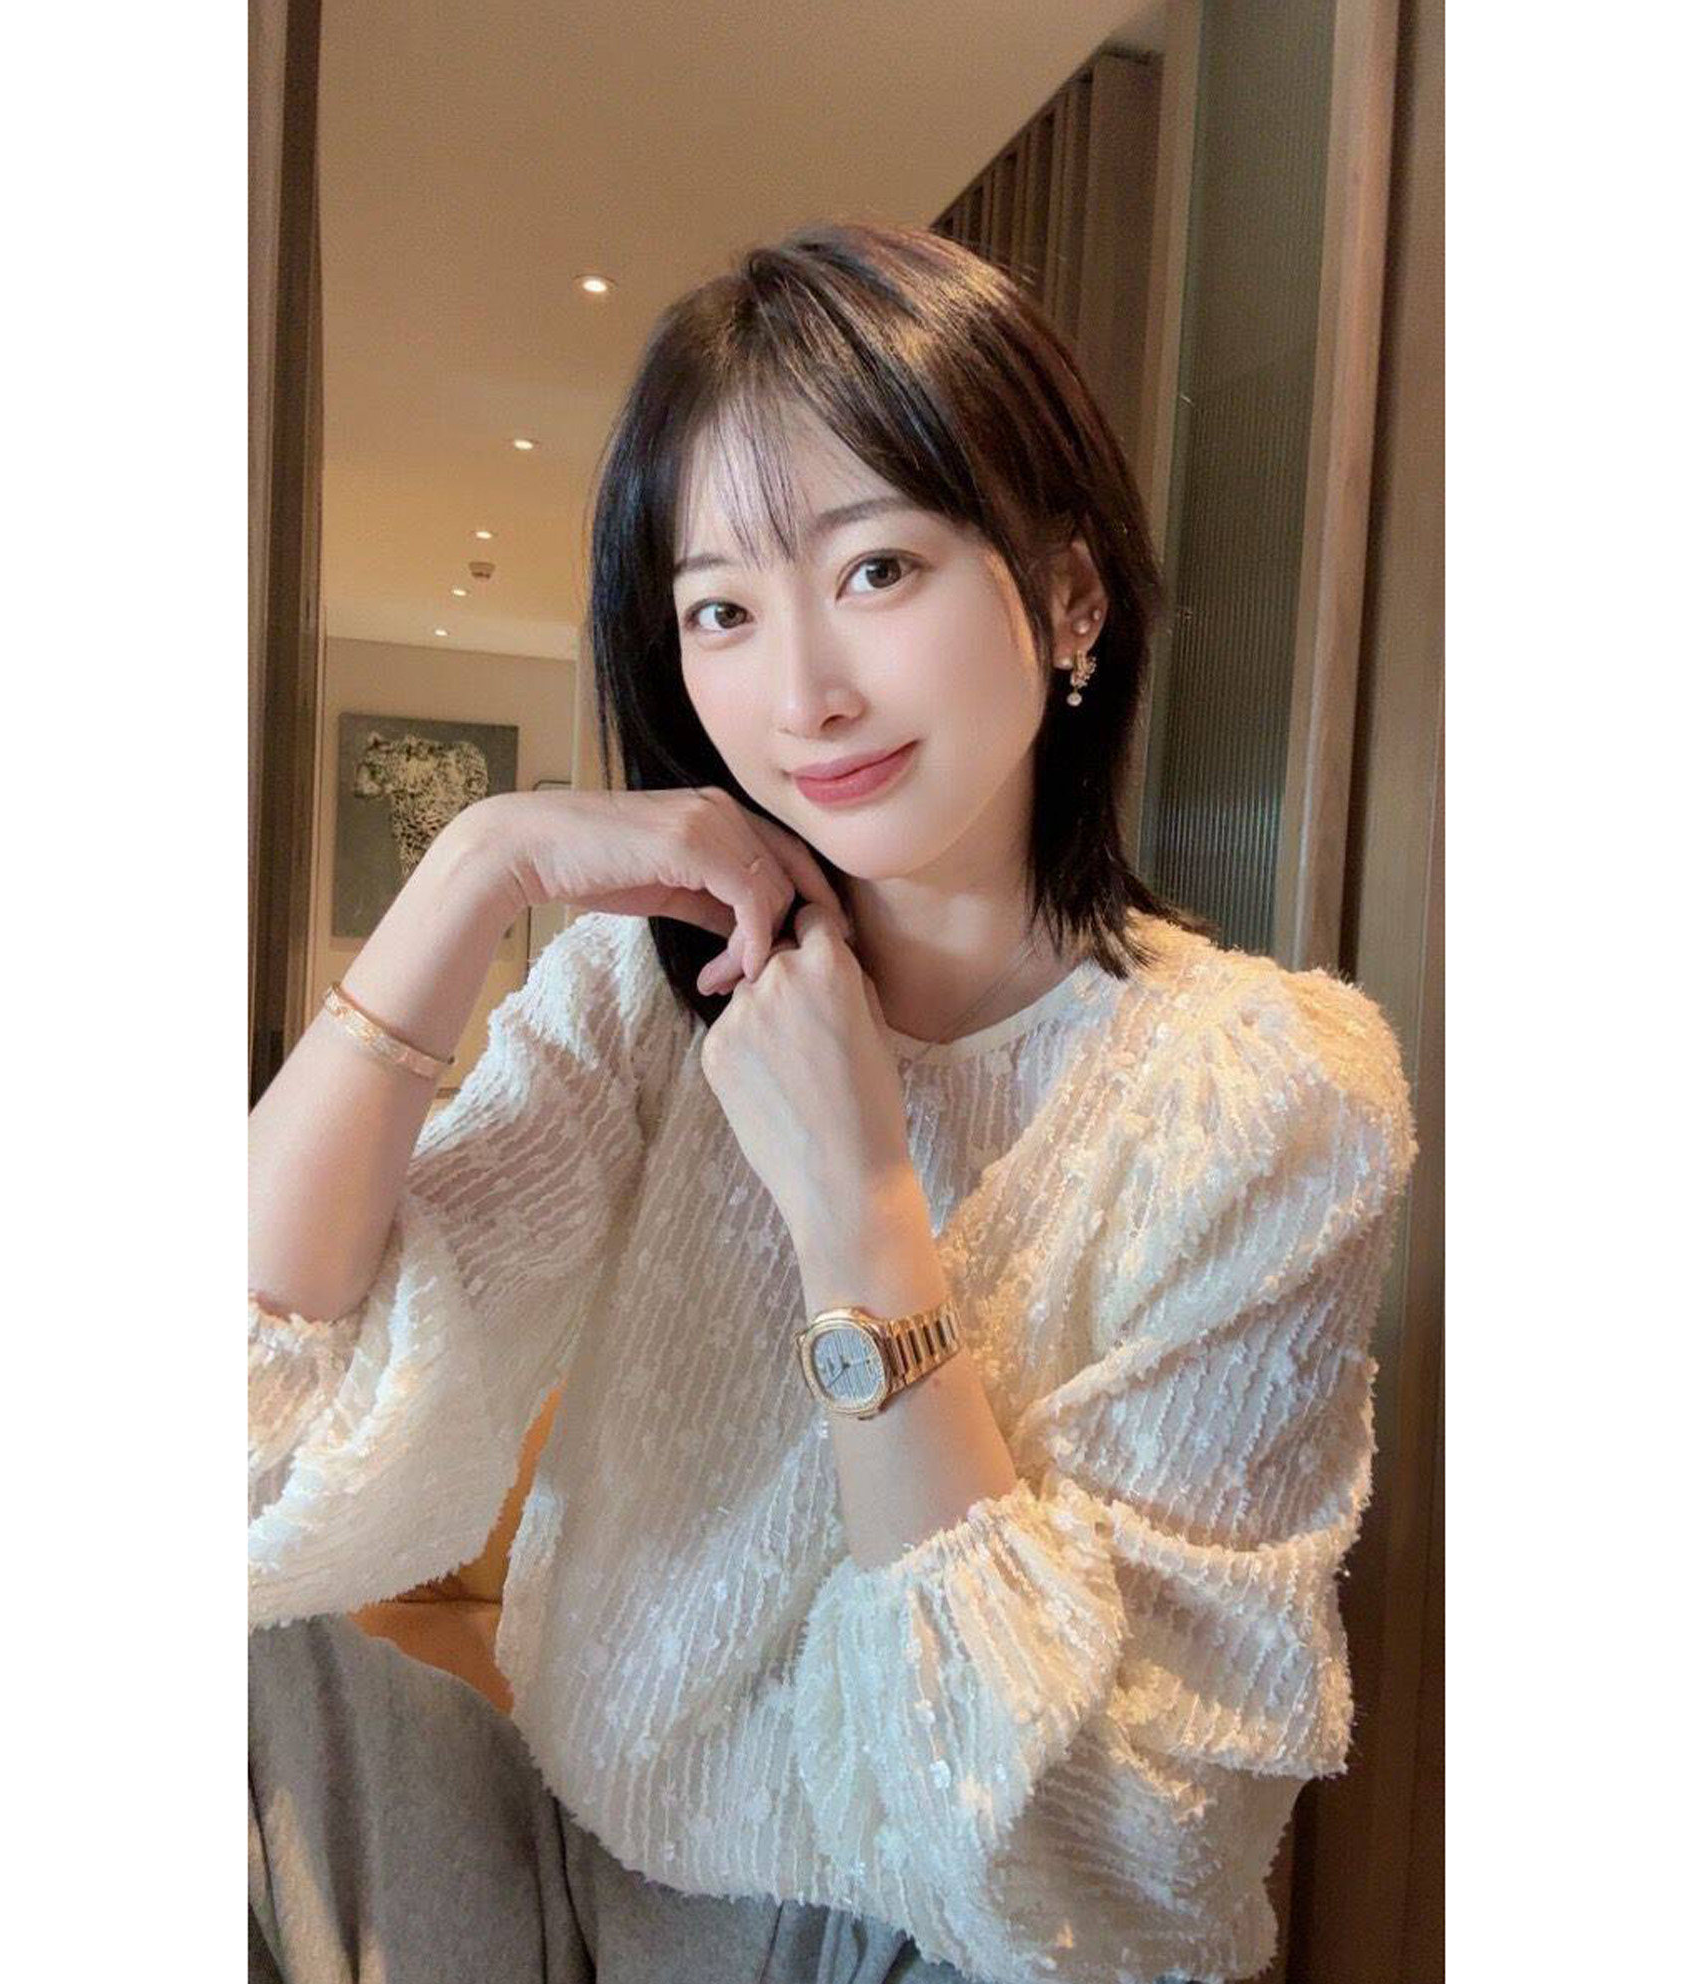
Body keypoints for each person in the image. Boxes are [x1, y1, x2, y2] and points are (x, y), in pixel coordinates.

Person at [248, 219, 1418, 1984]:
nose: (803, 695)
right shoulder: (649, 993)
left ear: (1072, 596)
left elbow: (1107, 1856)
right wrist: (473, 867)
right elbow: (252, 1417)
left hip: (941, 1942)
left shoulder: (1259, 1094)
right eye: (721, 609)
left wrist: (861, 1214)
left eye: (877, 569)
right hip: (564, 1882)